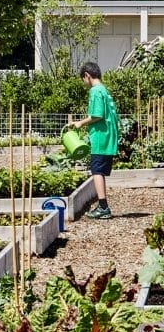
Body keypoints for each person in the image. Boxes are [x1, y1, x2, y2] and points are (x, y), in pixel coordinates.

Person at [69, 62, 118, 219]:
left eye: (83, 79)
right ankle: (103, 206)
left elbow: (97, 115)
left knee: (96, 171)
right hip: (107, 136)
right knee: (100, 171)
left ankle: (103, 207)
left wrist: (79, 123)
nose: (84, 83)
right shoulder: (104, 90)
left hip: (100, 137)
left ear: (87, 76)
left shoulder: (95, 91)